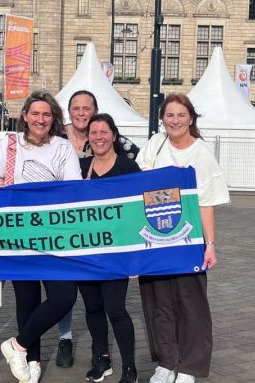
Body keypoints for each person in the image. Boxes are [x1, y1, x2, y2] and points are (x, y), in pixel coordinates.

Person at [0, 91, 82, 383]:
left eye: (46, 114)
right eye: (35, 113)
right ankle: (32, 362)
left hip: (54, 236)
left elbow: (73, 189)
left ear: (53, 118)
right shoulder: (10, 143)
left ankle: (17, 345)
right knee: (27, 300)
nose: (40, 119)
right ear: (25, 116)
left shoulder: (63, 147)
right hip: (18, 235)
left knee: (64, 297)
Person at [134, 94, 229, 383]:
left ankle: (189, 366)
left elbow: (206, 203)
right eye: (169, 115)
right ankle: (166, 362)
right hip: (155, 237)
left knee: (190, 304)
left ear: (191, 119)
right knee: (158, 303)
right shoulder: (155, 144)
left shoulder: (202, 153)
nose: (175, 121)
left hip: (188, 239)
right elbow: (138, 185)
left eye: (181, 115)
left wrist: (210, 245)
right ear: (162, 119)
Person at [78, 114, 140, 383]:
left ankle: (129, 367)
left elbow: (138, 210)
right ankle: (102, 359)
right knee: (93, 307)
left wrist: (137, 256)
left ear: (114, 135)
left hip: (117, 252)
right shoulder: (80, 167)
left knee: (115, 309)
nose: (99, 137)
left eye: (104, 132)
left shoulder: (128, 167)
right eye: (93, 132)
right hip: (86, 251)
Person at [65, 90, 140, 160]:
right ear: (69, 111)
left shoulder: (113, 141)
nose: (81, 113)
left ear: (96, 112)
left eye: (86, 109)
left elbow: (141, 161)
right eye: (76, 109)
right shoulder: (59, 137)